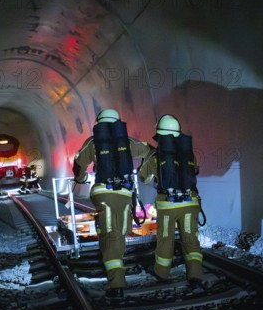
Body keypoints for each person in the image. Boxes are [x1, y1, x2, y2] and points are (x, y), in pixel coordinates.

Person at [72, 108, 153, 298]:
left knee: (110, 234)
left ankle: (116, 284)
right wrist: (144, 172)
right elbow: (150, 150)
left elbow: (79, 162)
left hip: (103, 193)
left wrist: (81, 177)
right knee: (119, 234)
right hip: (125, 194)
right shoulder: (128, 142)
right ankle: (117, 276)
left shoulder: (93, 142)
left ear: (99, 124)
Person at [138, 114, 204, 291]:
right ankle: (195, 276)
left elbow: (144, 178)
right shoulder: (188, 153)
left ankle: (161, 273)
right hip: (190, 202)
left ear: (159, 134)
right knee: (190, 239)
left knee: (166, 239)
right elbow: (195, 171)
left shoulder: (154, 155)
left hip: (167, 205)